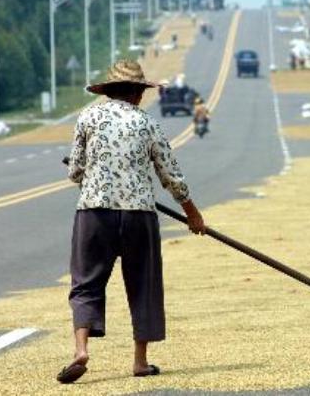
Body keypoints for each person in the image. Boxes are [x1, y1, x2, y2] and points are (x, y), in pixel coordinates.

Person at [57, 59, 206, 384]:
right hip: (139, 215)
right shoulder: (147, 123)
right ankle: (140, 361)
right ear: (138, 94)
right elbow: (170, 175)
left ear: (108, 92)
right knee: (144, 285)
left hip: (94, 212)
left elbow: (75, 172)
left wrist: (91, 174)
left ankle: (81, 350)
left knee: (85, 283)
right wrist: (192, 213)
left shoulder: (88, 117)